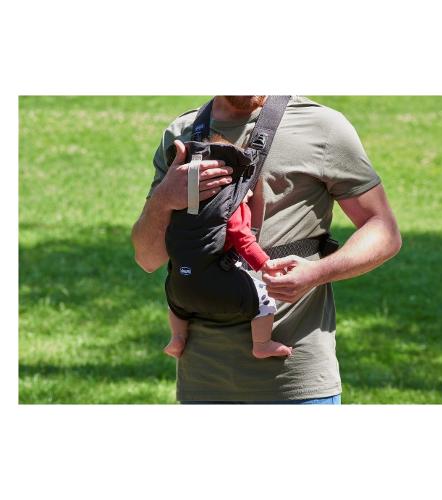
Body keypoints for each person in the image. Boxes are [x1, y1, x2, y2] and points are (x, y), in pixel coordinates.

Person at [131, 95, 402, 404]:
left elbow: (384, 230)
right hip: (202, 382)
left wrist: (317, 272)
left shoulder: (322, 126)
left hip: (295, 381)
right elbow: (147, 257)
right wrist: (164, 198)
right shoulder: (183, 132)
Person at [163, 133, 291, 359]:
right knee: (264, 297)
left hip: (178, 288)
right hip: (216, 285)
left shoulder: (180, 204)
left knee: (176, 303)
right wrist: (265, 265)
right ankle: (262, 344)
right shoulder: (230, 209)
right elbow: (242, 238)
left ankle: (177, 338)